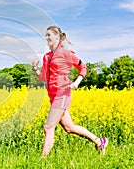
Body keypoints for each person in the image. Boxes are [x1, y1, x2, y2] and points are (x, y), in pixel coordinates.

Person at [31, 25, 108, 158]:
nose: (46, 37)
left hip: (63, 95)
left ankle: (41, 162)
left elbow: (83, 67)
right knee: (69, 128)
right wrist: (35, 69)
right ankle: (99, 141)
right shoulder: (46, 56)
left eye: (49, 35)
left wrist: (76, 82)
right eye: (46, 35)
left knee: (48, 128)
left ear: (57, 36)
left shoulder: (66, 53)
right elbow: (44, 77)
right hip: (53, 96)